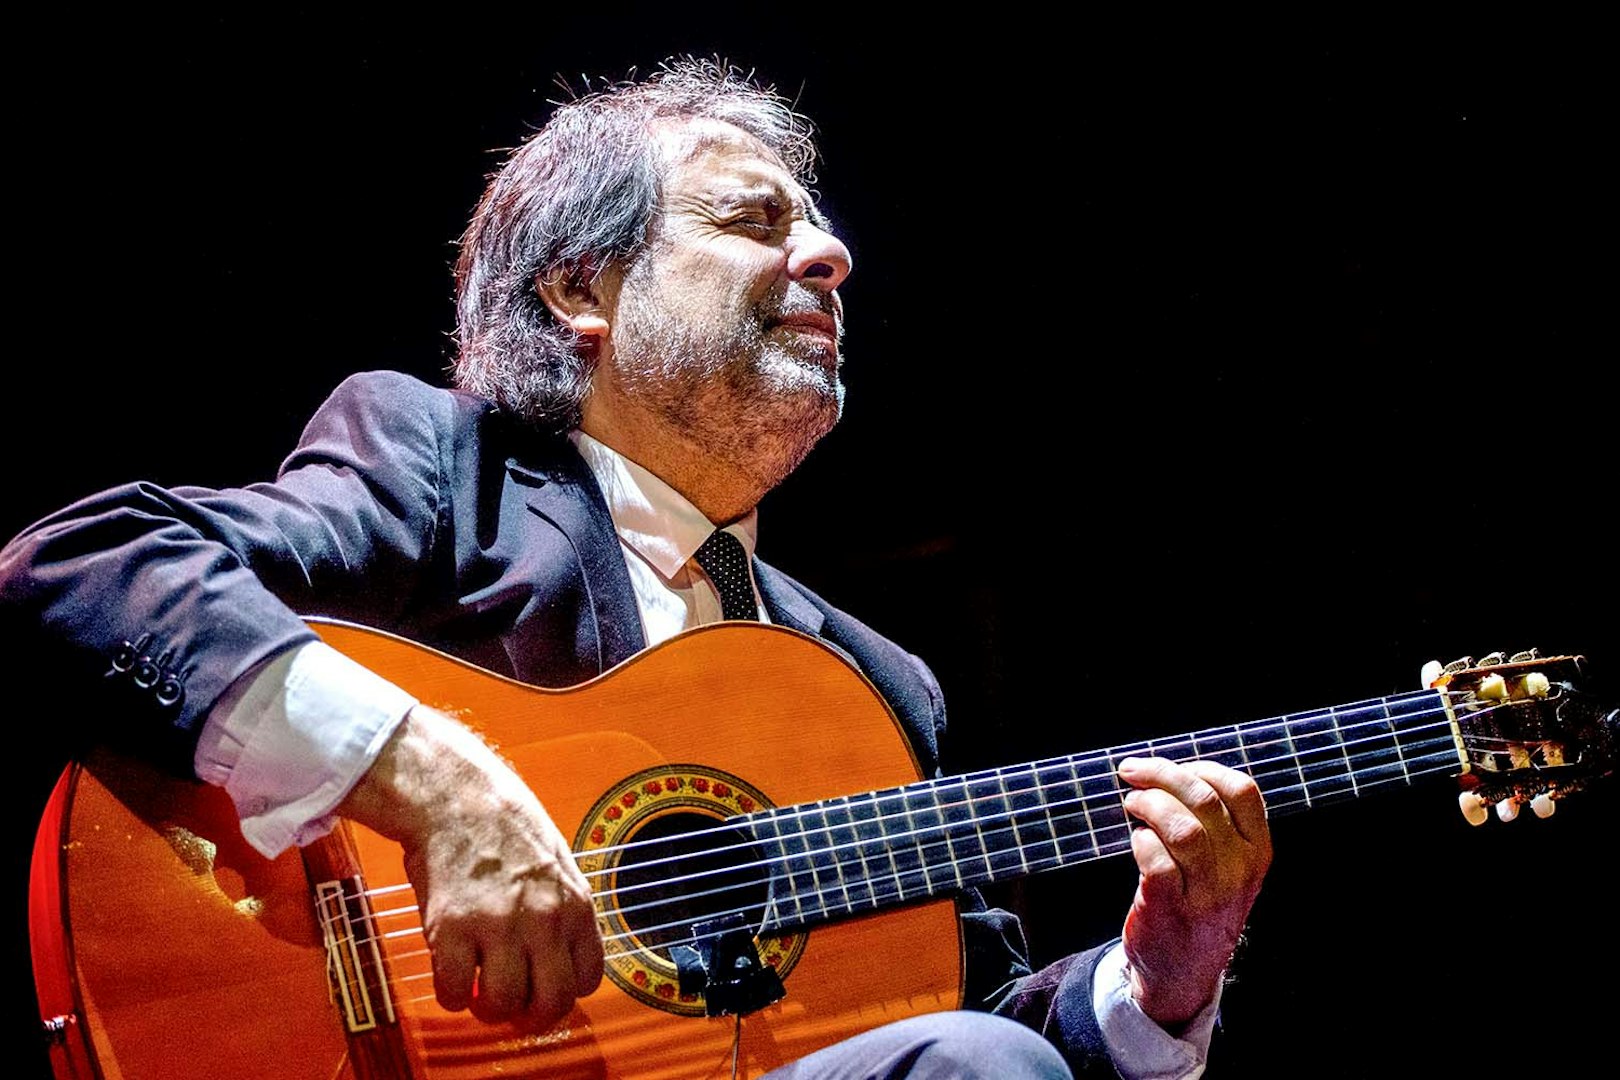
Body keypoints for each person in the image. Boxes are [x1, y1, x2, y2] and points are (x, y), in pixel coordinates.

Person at [0, 60, 1269, 1078]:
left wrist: (1158, 984)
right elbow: (88, 561)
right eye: (754, 221)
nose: (832, 257)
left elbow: (950, 1019)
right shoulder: (449, 469)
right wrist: (434, 783)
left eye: (822, 231)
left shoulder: (875, 686)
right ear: (578, 288)